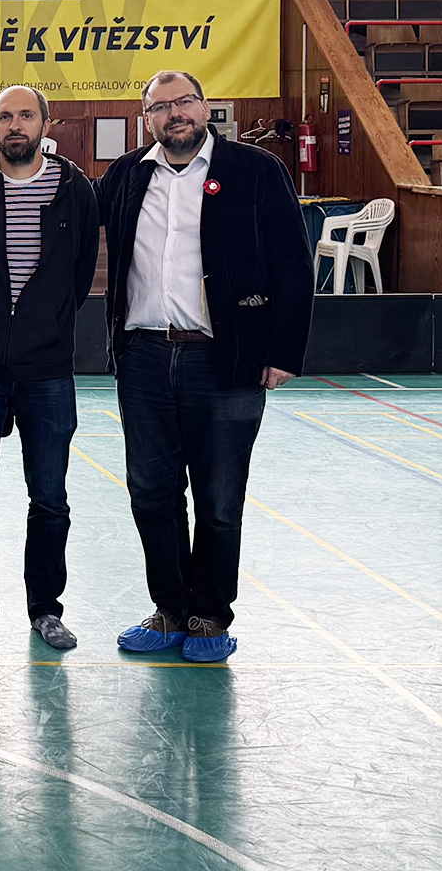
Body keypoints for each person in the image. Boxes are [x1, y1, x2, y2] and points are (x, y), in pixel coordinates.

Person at [102, 71, 312, 664]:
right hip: (142, 358)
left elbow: (294, 267)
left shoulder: (255, 170)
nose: (175, 114)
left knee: (219, 500)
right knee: (152, 494)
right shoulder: (126, 175)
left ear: (205, 107)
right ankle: (170, 608)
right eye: (161, 107)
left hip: (226, 360)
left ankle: (211, 615)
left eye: (185, 102)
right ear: (147, 119)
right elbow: (63, 205)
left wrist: (281, 351)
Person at [0, 84, 100, 652]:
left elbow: (79, 275)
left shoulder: (77, 189)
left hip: (47, 369)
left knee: (49, 496)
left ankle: (44, 609)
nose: (15, 125)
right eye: (4, 116)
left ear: (45, 124)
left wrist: (42, 323)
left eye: (25, 115)